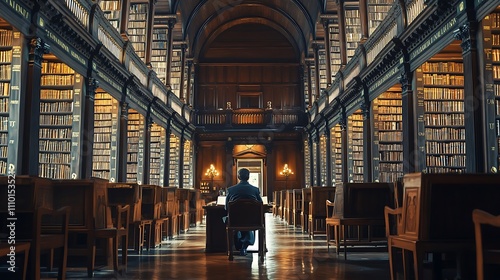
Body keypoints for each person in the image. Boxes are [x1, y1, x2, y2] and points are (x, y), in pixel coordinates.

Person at [225, 168, 263, 256]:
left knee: (233, 220)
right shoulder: (255, 190)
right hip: (253, 221)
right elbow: (260, 206)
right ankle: (244, 245)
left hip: (235, 221)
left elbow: (226, 207)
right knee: (248, 220)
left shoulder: (231, 190)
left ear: (238, 177)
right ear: (248, 177)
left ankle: (239, 245)